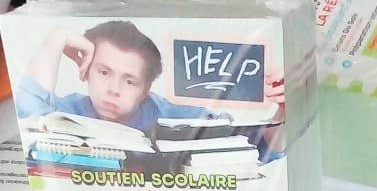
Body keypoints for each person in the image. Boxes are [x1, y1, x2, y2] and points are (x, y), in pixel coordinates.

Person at [15, 20, 285, 161]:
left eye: (129, 81)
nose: (113, 90)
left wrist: (285, 107)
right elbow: (28, 116)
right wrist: (56, 39)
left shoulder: (175, 118)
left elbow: (257, 148)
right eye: (104, 72)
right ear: (86, 70)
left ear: (146, 90)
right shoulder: (68, 112)